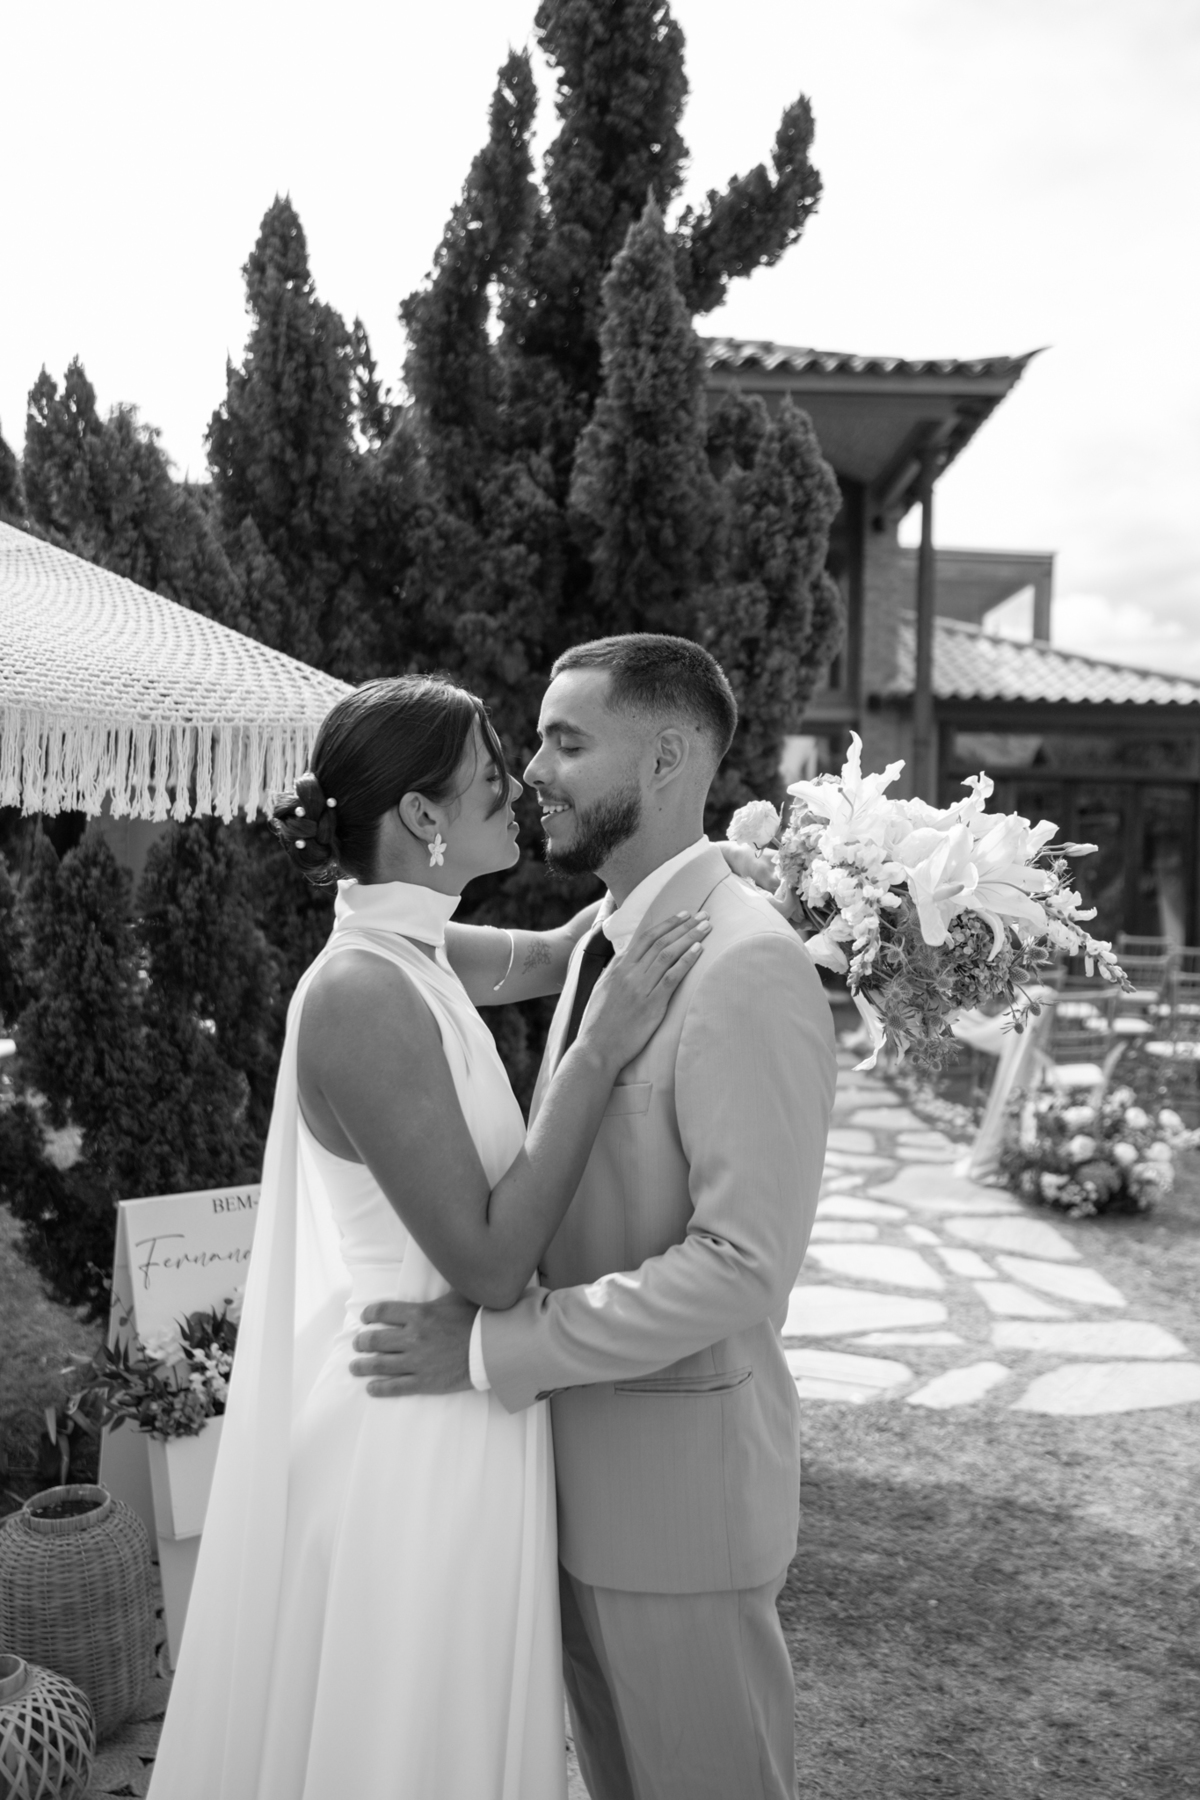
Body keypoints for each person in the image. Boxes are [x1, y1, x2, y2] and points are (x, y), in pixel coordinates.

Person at [145, 673, 712, 1800]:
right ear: (420, 816)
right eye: (491, 772)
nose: (519, 786)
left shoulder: (416, 950)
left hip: (465, 1410)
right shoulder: (360, 994)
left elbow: (562, 950)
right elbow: (492, 1263)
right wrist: (600, 1050)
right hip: (407, 1444)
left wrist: (726, 867)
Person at [352, 635, 837, 1800]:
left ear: (666, 759)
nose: (531, 772)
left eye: (565, 742)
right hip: (567, 1499)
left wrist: (493, 1349)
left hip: (681, 1514)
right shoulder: (608, 940)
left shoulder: (745, 966)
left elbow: (739, 1267)